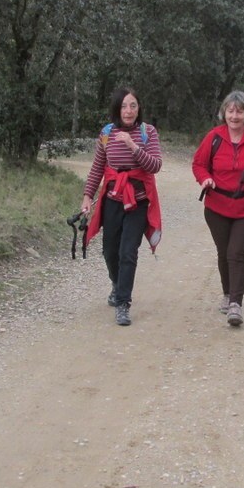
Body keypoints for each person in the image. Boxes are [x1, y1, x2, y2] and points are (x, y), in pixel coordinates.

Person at [192, 90, 244, 327]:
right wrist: (205, 179)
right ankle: (228, 293)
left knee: (237, 252)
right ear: (224, 113)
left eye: (239, 111)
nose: (234, 115)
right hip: (216, 207)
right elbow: (199, 164)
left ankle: (235, 304)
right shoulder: (214, 137)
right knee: (224, 251)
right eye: (230, 110)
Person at [81, 87, 162, 326]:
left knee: (128, 251)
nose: (129, 111)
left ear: (139, 109)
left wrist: (133, 146)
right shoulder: (106, 133)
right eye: (124, 106)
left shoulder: (148, 132)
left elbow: (155, 165)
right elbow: (98, 168)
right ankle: (117, 284)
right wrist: (87, 195)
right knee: (109, 251)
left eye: (133, 106)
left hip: (138, 201)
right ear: (117, 109)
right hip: (113, 199)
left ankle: (123, 303)